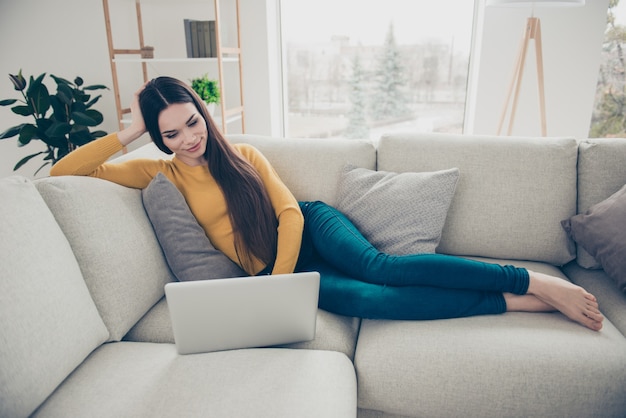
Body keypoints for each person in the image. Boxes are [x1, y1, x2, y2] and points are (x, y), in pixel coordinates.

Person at [50, 76, 604, 331]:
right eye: (171, 133)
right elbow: (64, 171)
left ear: (203, 112)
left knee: (382, 268)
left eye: (191, 121)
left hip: (310, 231)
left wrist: (281, 281)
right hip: (279, 270)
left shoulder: (242, 153)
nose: (189, 138)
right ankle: (508, 305)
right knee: (373, 301)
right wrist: (130, 131)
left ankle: (531, 282)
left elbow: (289, 213)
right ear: (159, 138)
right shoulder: (159, 171)